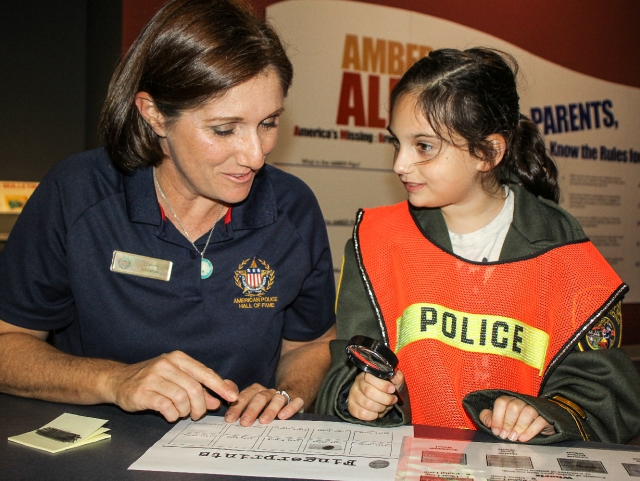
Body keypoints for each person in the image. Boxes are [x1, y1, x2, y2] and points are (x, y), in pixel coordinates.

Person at [0, 0, 336, 426]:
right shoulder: (77, 194)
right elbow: (8, 342)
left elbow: (310, 344)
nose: (255, 155)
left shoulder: (293, 209)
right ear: (155, 114)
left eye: (268, 123)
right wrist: (115, 380)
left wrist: (287, 394)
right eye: (224, 129)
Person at [316, 47, 640, 444]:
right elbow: (346, 363)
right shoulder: (375, 241)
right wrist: (356, 395)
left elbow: (607, 396)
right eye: (396, 143)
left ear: (488, 152)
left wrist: (546, 413)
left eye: (424, 146)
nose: (400, 163)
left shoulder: (564, 252)